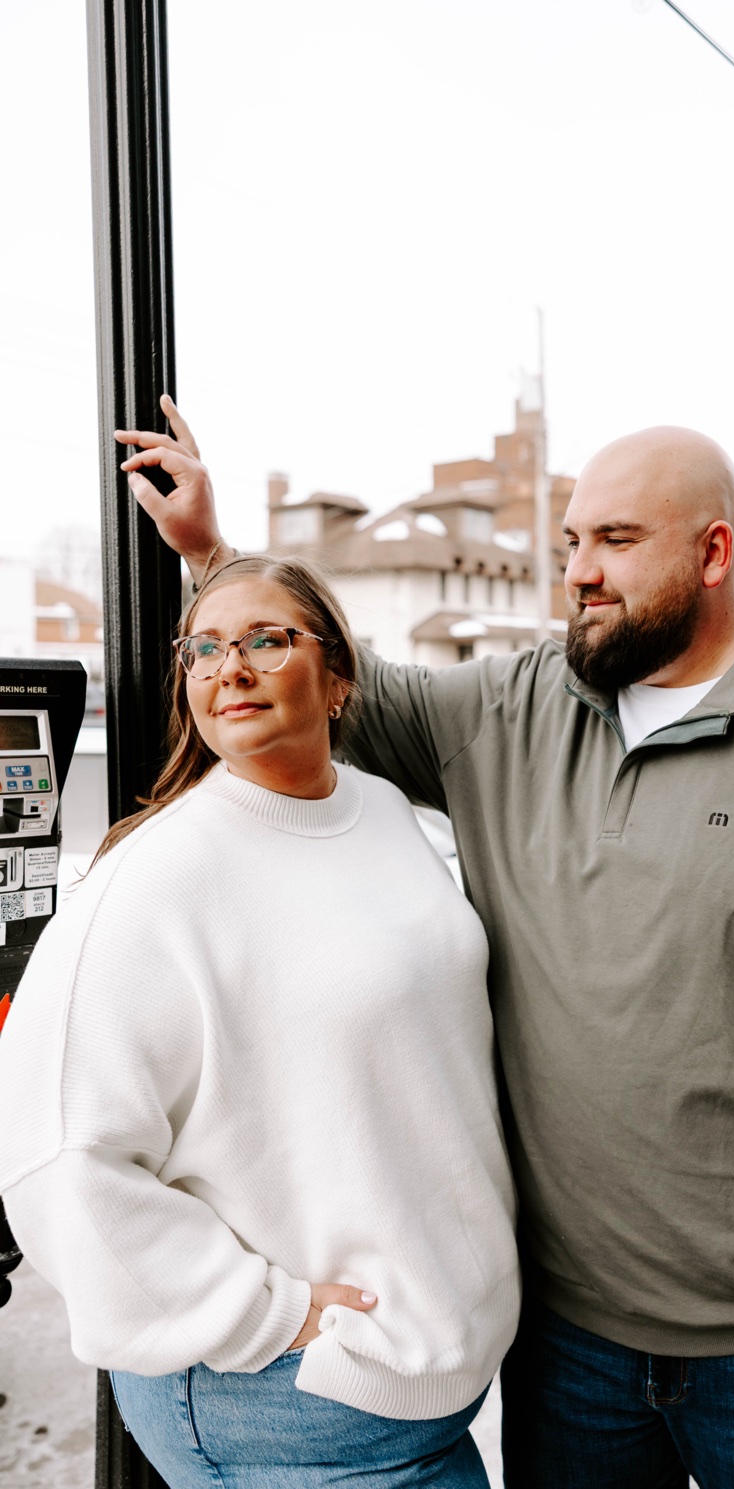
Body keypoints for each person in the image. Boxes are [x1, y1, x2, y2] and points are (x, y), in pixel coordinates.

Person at [117, 396, 734, 1489]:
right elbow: (340, 683)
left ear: (713, 552)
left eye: (617, 542)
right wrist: (211, 548)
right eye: (572, 541)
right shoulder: (515, 706)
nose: (579, 569)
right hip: (570, 1338)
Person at [0, 555, 518, 1487]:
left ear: (340, 676)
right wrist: (272, 1318)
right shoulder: (157, 879)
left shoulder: (387, 812)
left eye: (266, 640)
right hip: (289, 1404)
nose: (227, 666)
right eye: (202, 648)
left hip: (430, 1377)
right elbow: (59, 1161)